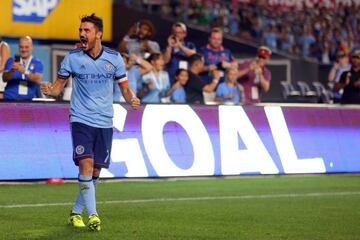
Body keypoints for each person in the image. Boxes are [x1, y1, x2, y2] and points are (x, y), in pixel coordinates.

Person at [41, 14, 140, 231]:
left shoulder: (114, 58)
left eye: (87, 30)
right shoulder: (72, 57)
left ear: (98, 34)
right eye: (81, 30)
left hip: (104, 121)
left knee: (95, 172)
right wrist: (50, 90)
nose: (82, 34)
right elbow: (58, 87)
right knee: (85, 163)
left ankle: (76, 212)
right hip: (80, 119)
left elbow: (124, 88)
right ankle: (94, 215)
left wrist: (131, 98)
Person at [2, 36, 43, 100]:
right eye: (21, 47)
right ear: (18, 47)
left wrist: (25, 71)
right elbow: (4, 78)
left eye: (26, 47)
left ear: (32, 47)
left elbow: (37, 79)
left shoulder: (37, 63)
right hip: (10, 99)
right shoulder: (11, 60)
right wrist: (12, 70)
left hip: (28, 100)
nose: (24, 49)